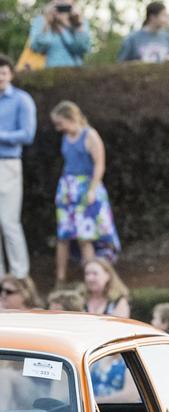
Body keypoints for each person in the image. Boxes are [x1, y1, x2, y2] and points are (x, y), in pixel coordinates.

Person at [51, 100, 121, 284]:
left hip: (86, 187)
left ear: (71, 118)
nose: (59, 128)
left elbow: (99, 164)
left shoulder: (90, 135)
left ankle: (91, 278)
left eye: (61, 123)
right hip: (68, 188)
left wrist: (92, 190)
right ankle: (60, 279)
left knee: (85, 237)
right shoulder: (66, 137)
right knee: (64, 236)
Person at [0, 55, 36, 280]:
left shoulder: (22, 100)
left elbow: (27, 134)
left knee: (9, 222)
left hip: (8, 164)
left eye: (3, 73)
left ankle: (20, 277)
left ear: (10, 74)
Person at [28, 2, 91, 68]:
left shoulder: (80, 20)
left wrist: (75, 23)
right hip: (47, 72)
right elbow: (36, 48)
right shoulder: (41, 20)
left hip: (74, 72)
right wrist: (47, 23)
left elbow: (83, 48)